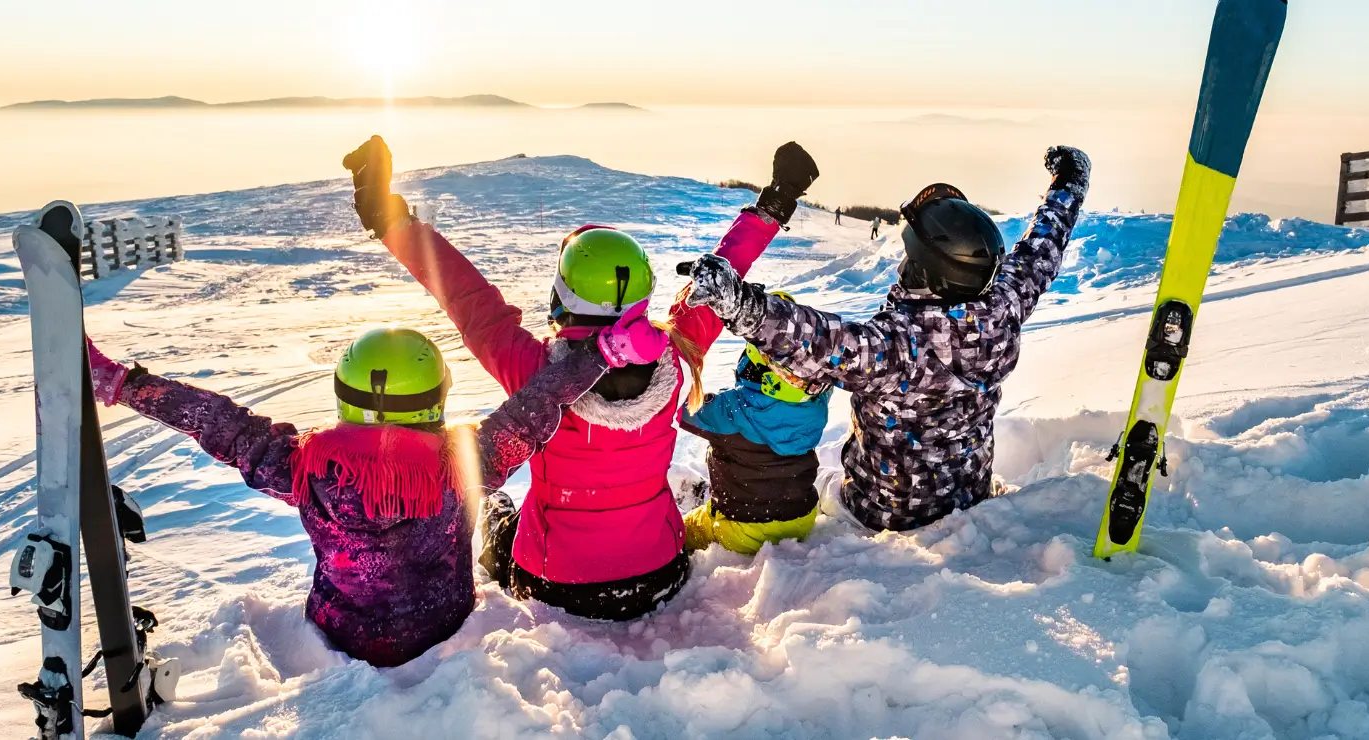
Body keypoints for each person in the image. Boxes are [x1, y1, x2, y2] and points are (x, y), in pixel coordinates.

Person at [342, 135, 818, 620]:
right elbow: (720, 279)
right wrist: (775, 203)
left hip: (556, 584)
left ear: (562, 296)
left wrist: (389, 219)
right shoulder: (676, 355)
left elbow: (467, 298)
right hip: (660, 572)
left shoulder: (535, 373)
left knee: (497, 514)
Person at [81, 320, 646, 666]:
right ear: (434, 396)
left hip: (340, 632)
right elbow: (534, 408)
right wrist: (602, 354)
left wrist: (125, 385)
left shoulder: (304, 465)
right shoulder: (463, 464)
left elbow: (218, 422)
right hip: (444, 627)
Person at [682, 146, 1091, 533]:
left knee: (812, 493)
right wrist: (1068, 184)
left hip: (880, 514)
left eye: (911, 257)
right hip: (970, 496)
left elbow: (816, 340)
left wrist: (738, 303)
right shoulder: (1003, 307)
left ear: (928, 272)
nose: (903, 263)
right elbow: (1041, 251)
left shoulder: (898, 347)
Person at [678, 290, 833, 555]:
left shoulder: (731, 411)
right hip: (801, 518)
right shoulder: (815, 404)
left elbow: (683, 409)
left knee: (684, 530)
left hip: (743, 529)